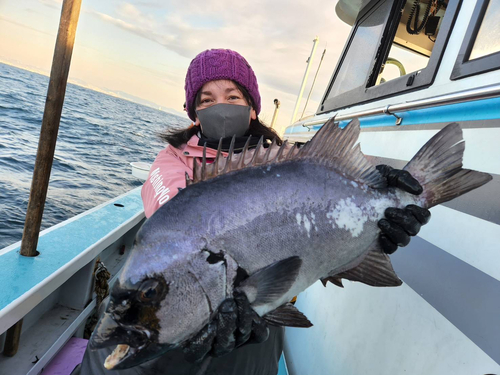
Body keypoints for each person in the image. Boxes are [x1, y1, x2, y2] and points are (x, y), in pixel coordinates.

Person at [76, 49, 429, 375]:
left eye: (233, 97)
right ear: (194, 113)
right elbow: (176, 223)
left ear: (252, 106)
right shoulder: (173, 160)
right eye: (207, 99)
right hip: (179, 318)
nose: (221, 106)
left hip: (258, 320)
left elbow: (333, 184)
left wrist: (385, 195)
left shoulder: (286, 157)